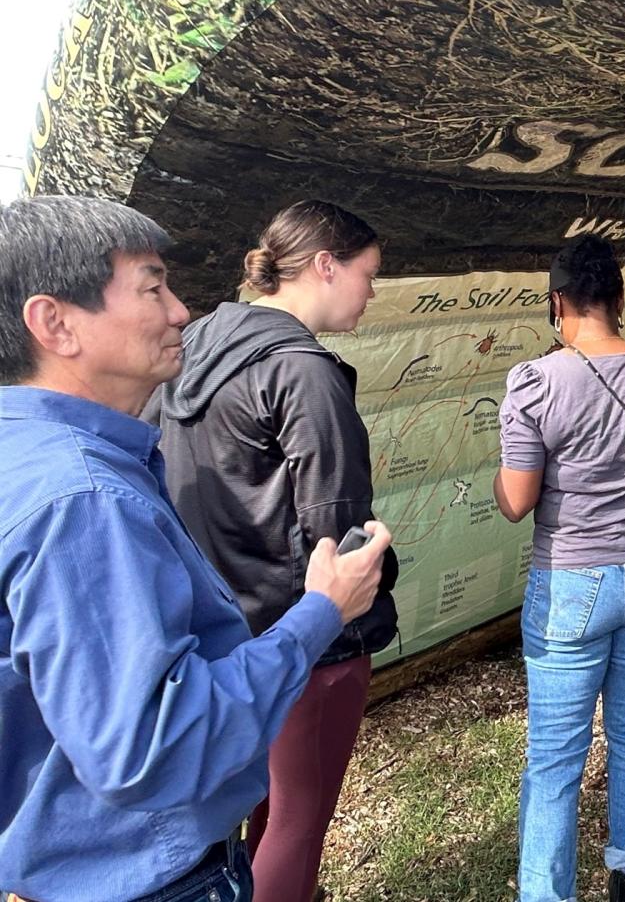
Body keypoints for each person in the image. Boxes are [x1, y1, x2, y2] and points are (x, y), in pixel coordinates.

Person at [0, 195, 391, 902]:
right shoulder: (85, 499)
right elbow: (153, 746)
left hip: (67, 840)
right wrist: (327, 608)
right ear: (54, 322)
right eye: (152, 287)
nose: (179, 310)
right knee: (299, 820)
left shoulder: (32, 452)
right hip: (156, 862)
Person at [145, 200, 399, 902]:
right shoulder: (303, 370)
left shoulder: (190, 345)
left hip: (215, 634)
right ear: (325, 265)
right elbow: (337, 527)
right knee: (296, 819)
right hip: (307, 637)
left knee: (249, 808)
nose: (371, 292)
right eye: (368, 274)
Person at [493, 234, 625, 902]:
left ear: (559, 303)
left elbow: (517, 502)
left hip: (573, 582)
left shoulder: (534, 382)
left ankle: (547, 893)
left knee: (555, 757)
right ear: (620, 298)